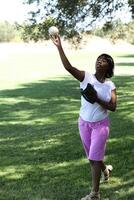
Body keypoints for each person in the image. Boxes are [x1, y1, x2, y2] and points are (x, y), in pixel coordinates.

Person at [50, 34, 117, 200]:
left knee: (94, 157)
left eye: (104, 60)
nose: (99, 60)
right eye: (98, 58)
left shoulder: (110, 85)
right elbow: (68, 67)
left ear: (108, 67)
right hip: (84, 123)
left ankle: (95, 194)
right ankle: (105, 170)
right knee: (93, 158)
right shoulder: (86, 76)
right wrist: (59, 47)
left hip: (101, 126)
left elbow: (113, 107)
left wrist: (97, 99)